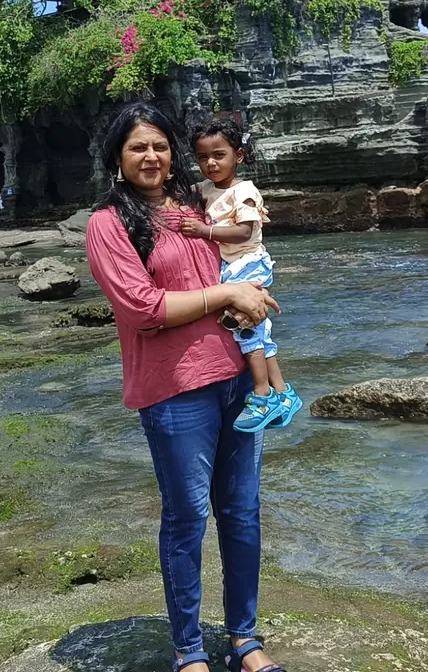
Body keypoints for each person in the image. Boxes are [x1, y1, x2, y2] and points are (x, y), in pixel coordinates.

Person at [84, 101, 283, 672]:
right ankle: (190, 651)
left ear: (174, 153)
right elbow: (143, 309)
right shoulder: (109, 224)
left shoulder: (198, 205)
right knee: (188, 518)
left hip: (237, 379)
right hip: (174, 390)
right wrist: (227, 297)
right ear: (117, 159)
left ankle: (245, 639)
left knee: (242, 513)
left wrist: (254, 298)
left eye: (160, 146)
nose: (151, 156)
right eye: (137, 148)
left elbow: (242, 254)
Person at [182, 119, 300, 432]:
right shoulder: (206, 189)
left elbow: (244, 231)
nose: (210, 162)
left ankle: (261, 395)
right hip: (231, 267)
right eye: (202, 157)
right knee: (261, 331)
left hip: (248, 263)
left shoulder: (244, 192)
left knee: (243, 328)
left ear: (239, 156)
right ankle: (283, 393)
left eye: (219, 155)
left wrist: (204, 231)